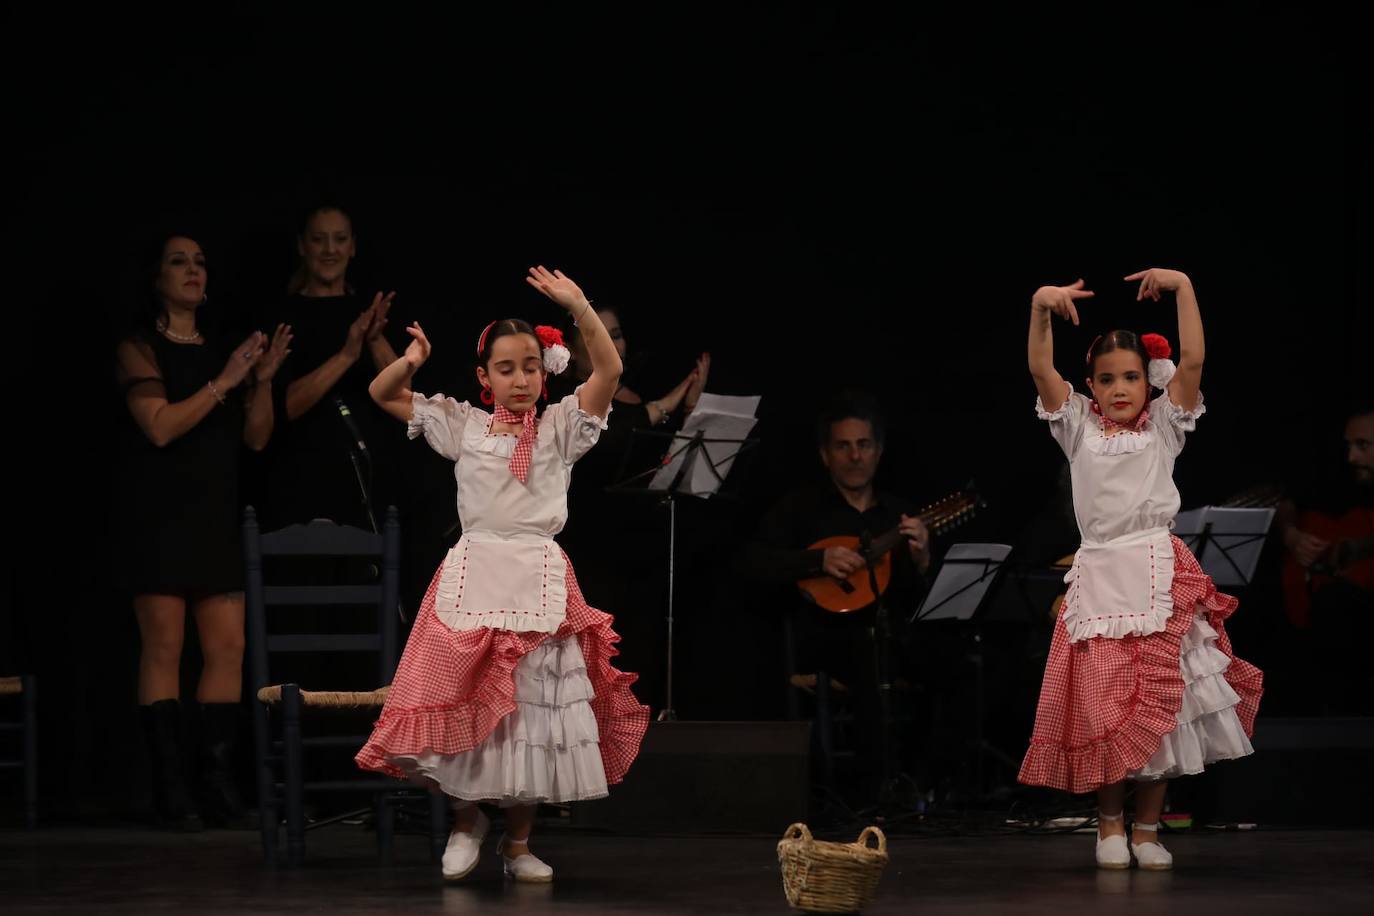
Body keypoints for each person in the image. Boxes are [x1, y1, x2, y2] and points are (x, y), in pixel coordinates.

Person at [355, 266, 648, 883]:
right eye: (507, 368)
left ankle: (518, 842)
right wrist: (411, 360)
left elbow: (609, 372)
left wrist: (579, 304)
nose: (521, 379)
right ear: (484, 378)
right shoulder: (464, 425)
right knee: (456, 700)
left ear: (546, 372)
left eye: (531, 367)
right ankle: (467, 819)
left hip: (536, 577)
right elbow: (382, 393)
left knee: (532, 713)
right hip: (474, 575)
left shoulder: (561, 427)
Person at [1017, 269, 1263, 870]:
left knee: (1163, 707)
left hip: (1158, 574)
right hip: (1101, 579)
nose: (1119, 388)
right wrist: (1041, 309)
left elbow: (1194, 359)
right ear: (1092, 386)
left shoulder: (1163, 426)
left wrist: (1184, 288)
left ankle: (1148, 830)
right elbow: (1041, 369)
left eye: (1130, 376)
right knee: (1106, 706)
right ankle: (1109, 825)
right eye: (1106, 379)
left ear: (1147, 380)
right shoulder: (1078, 427)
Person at [114, 232, 291, 829]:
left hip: (214, 514)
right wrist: (227, 379)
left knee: (227, 648)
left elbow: (258, 439)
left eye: (199, 262)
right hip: (159, 516)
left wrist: (260, 380)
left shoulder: (224, 350)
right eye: (178, 262)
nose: (192, 271)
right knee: (165, 647)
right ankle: (172, 790)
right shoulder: (139, 347)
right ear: (156, 277)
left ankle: (215, 785)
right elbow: (160, 426)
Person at [740, 392, 931, 802]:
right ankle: (869, 796)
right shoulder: (801, 509)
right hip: (825, 639)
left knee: (954, 659)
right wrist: (817, 560)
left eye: (863, 445)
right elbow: (754, 562)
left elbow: (916, 600)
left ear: (878, 451)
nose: (855, 456)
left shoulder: (899, 515)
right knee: (867, 657)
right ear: (825, 455)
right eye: (843, 446)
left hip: (894, 638)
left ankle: (929, 788)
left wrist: (921, 559)